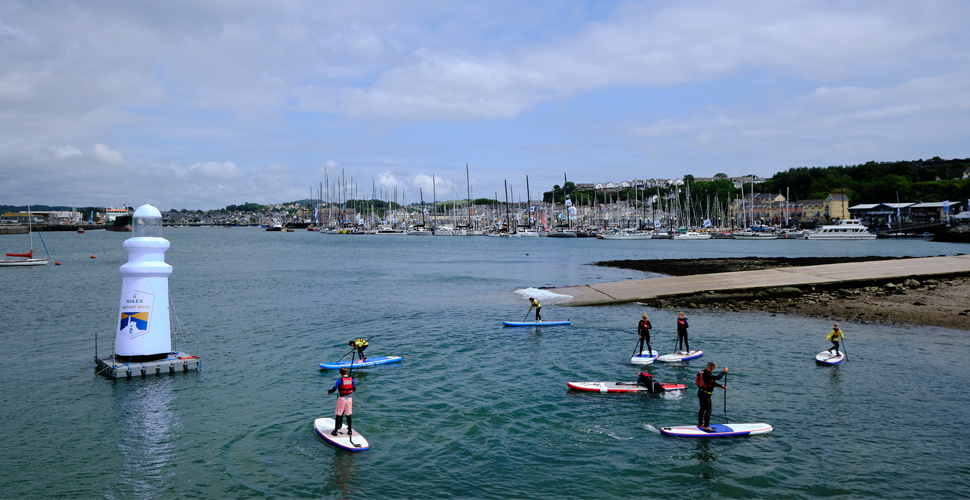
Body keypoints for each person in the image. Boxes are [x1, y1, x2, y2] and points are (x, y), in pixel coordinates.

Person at [696, 361, 727, 432]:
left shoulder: (703, 372)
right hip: (706, 394)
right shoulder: (707, 373)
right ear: (711, 367)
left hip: (700, 392)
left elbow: (711, 382)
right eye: (713, 367)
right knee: (709, 410)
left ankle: (700, 423)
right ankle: (706, 427)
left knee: (702, 408)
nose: (713, 369)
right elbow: (717, 377)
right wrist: (724, 372)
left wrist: (721, 386)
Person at [327, 367, 356, 436]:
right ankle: (349, 431)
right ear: (347, 372)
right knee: (348, 414)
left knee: (339, 414)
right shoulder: (352, 380)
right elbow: (354, 389)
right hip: (349, 399)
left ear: (340, 373)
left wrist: (329, 391)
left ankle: (336, 431)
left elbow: (334, 389)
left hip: (342, 399)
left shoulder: (340, 380)